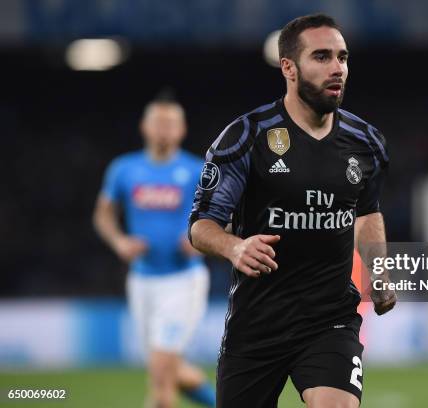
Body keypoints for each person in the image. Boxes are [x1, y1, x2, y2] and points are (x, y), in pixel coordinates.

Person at [189, 14, 396, 408]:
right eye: (321, 57)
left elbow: (367, 213)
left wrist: (379, 273)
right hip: (257, 327)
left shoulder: (365, 144)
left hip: (330, 319)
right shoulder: (246, 138)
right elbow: (201, 226)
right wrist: (235, 248)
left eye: (343, 57)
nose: (337, 68)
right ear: (289, 67)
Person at [93, 96, 216, 408]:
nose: (164, 130)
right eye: (158, 123)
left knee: (160, 382)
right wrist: (119, 241)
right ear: (144, 127)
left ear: (182, 129)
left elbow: (219, 217)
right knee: (169, 370)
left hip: (182, 282)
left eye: (171, 124)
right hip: (142, 281)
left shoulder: (196, 170)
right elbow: (103, 214)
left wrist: (198, 239)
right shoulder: (124, 169)